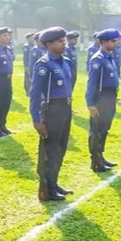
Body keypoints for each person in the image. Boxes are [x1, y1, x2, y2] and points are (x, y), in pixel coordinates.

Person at [31, 27, 75, 201]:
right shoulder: (44, 64)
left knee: (61, 148)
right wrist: (36, 119)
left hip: (65, 108)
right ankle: (47, 187)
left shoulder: (65, 61)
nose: (64, 44)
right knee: (51, 149)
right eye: (60, 41)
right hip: (52, 110)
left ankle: (54, 183)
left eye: (64, 40)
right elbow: (35, 93)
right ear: (49, 44)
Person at [86, 29, 121, 172]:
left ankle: (100, 156)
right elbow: (92, 83)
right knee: (97, 130)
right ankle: (95, 160)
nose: (116, 43)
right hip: (100, 98)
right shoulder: (98, 59)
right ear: (103, 42)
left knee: (105, 128)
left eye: (116, 40)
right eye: (113, 41)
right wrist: (90, 104)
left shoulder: (109, 57)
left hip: (109, 97)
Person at [22, 32, 35, 97]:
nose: (33, 38)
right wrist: (26, 66)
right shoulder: (26, 46)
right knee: (28, 78)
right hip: (28, 64)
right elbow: (26, 57)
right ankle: (28, 91)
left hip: (33, 64)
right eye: (32, 37)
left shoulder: (34, 46)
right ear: (28, 38)